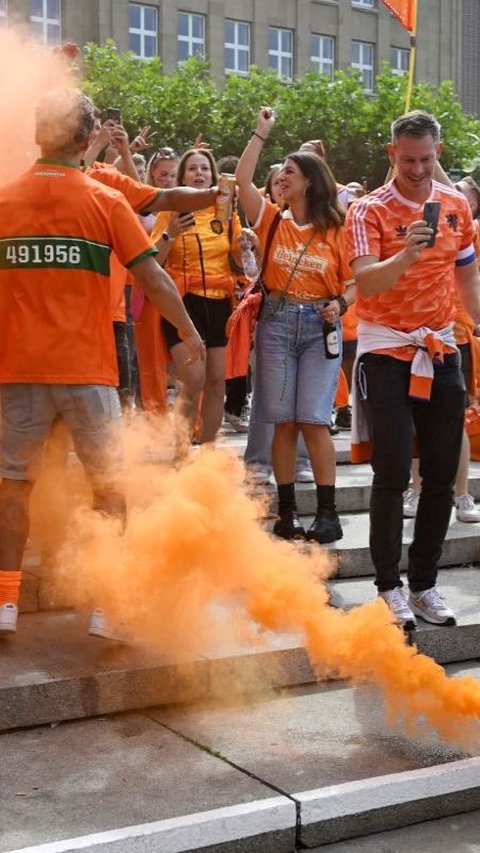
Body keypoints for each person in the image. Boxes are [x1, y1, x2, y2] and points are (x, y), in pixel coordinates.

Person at [0, 89, 205, 637]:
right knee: (109, 487)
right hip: (89, 373)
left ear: (37, 134)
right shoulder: (105, 200)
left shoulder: (3, 201)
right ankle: (106, 608)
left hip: (17, 373)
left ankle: (5, 603)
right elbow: (153, 278)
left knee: (13, 487)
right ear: (89, 140)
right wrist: (188, 335)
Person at [346, 110, 480, 630]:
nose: (418, 169)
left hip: (442, 348)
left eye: (426, 159)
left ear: (438, 153)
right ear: (391, 155)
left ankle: (424, 584)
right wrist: (406, 254)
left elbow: (467, 277)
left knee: (442, 478)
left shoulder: (455, 209)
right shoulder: (366, 210)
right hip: (384, 352)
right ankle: (388, 586)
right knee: (392, 473)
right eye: (407, 160)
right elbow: (367, 284)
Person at [236, 109, 356, 544]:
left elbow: (355, 282)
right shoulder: (270, 218)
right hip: (276, 323)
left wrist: (341, 303)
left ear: (309, 180)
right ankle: (286, 514)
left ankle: (328, 513)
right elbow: (243, 180)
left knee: (314, 420)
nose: (281, 177)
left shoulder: (337, 229)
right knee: (281, 421)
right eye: (280, 171)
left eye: (290, 171)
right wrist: (260, 133)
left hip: (319, 329)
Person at [149, 147, 242, 444]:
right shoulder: (171, 210)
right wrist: (171, 233)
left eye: (205, 168)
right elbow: (152, 262)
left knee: (217, 382)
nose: (199, 174)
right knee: (193, 379)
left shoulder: (226, 213)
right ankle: (180, 451)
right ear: (182, 175)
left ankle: (208, 456)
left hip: (219, 304)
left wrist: (248, 244)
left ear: (214, 177)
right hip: (181, 304)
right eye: (192, 168)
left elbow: (242, 263)